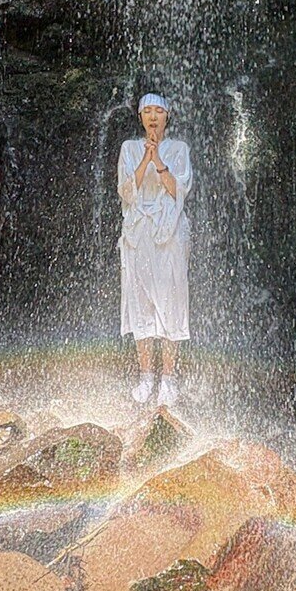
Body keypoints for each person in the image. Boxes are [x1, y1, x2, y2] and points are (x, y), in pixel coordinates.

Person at [118, 93, 193, 406]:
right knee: (140, 300)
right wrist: (146, 158)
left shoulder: (179, 149)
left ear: (167, 116)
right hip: (138, 233)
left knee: (172, 299)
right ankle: (146, 375)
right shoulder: (129, 148)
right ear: (139, 116)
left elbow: (180, 190)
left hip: (171, 233)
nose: (152, 116)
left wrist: (159, 161)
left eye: (158, 111)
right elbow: (125, 190)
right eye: (146, 111)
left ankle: (169, 378)